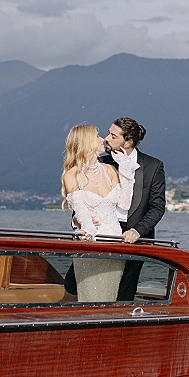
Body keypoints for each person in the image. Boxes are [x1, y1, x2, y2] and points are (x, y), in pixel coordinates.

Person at [61, 123, 137, 302]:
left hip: (116, 244)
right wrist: (88, 234)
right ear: (87, 142)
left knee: (110, 297)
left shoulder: (110, 170)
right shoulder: (71, 175)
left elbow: (125, 204)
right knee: (91, 299)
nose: (102, 139)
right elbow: (83, 216)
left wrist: (125, 170)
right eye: (97, 136)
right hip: (91, 247)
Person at [100, 117, 166, 299]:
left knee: (124, 293)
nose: (106, 138)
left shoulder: (153, 166)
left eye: (113, 136)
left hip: (137, 238)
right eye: (108, 133)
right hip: (104, 233)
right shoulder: (102, 163)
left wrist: (137, 231)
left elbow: (157, 207)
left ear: (127, 142)